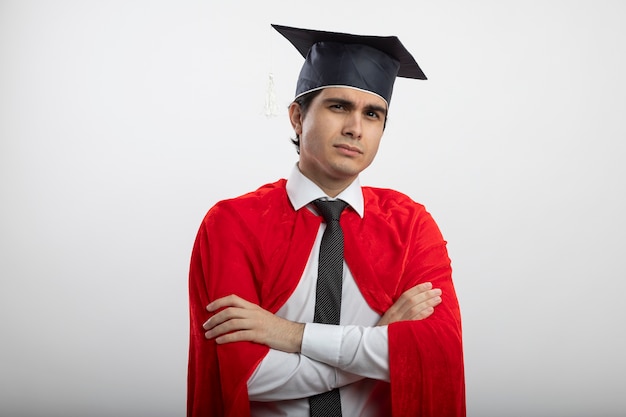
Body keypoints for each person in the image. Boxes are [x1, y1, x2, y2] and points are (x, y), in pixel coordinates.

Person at [187, 24, 465, 417]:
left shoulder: (410, 226)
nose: (355, 128)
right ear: (298, 117)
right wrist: (378, 343)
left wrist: (289, 335)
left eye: (372, 114)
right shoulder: (233, 223)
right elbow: (244, 376)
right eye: (339, 107)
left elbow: (438, 352)